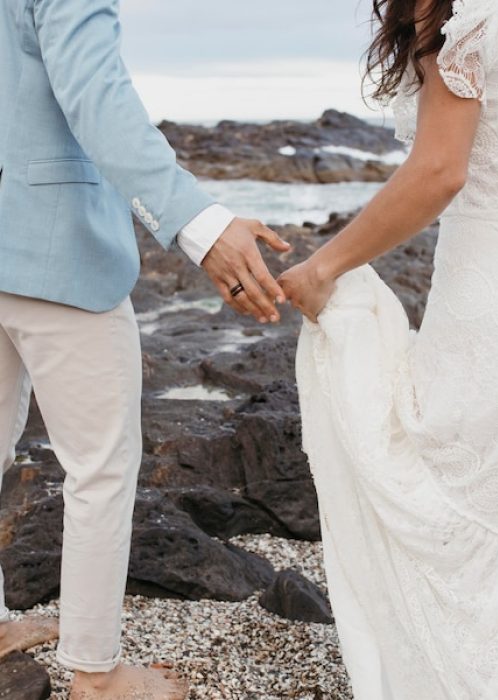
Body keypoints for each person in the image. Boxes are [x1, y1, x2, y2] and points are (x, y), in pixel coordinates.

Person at [0, 0, 290, 698]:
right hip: (54, 251)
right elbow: (95, 94)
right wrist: (199, 222)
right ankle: (97, 678)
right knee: (100, 470)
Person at [279, 0, 498, 697]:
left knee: (445, 471)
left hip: (484, 290)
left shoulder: (475, 26)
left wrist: (323, 268)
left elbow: (439, 171)